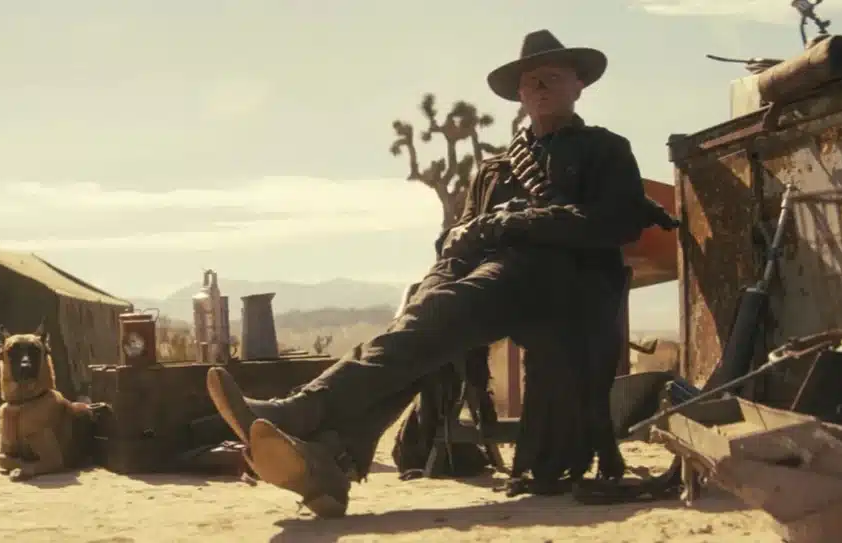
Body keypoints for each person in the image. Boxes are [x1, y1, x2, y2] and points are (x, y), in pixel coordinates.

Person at [205, 29, 677, 518]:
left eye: (553, 77)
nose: (540, 87)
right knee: (426, 317)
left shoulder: (604, 150)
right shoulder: (495, 169)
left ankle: (305, 413)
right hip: (495, 282)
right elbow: (459, 237)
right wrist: (437, 278)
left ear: (579, 85)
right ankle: (329, 457)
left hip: (566, 285)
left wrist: (515, 222)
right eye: (531, 80)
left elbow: (614, 223)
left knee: (440, 316)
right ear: (519, 93)